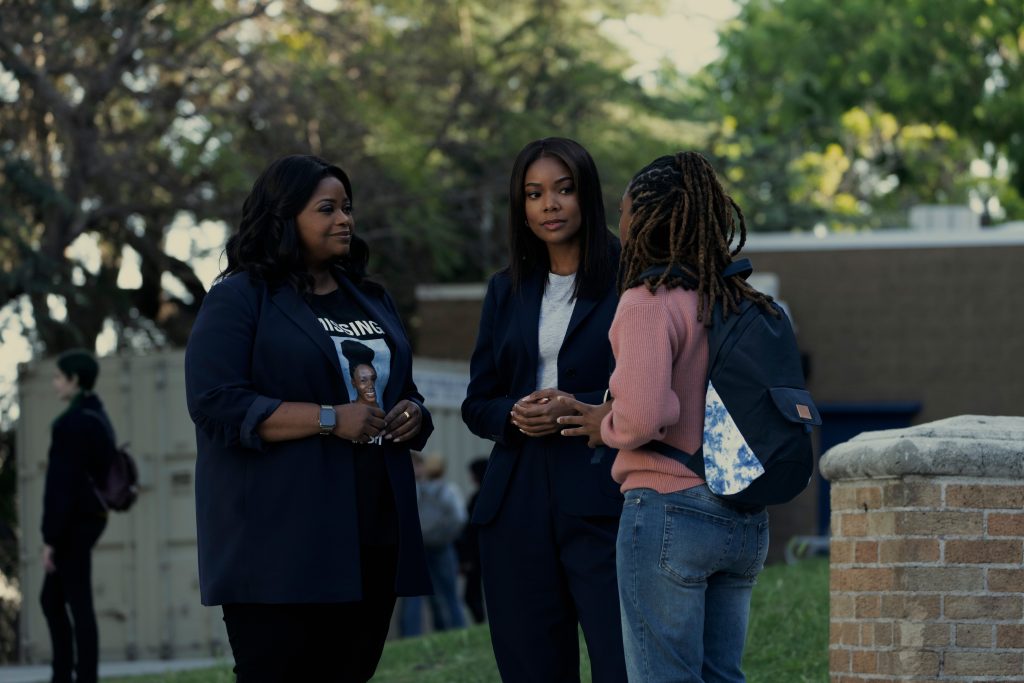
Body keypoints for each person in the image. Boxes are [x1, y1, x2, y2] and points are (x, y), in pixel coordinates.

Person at [184, 154, 434, 682]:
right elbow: (215, 401)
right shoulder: (239, 298)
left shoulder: (371, 298)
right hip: (279, 540)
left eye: (347, 207)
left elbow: (400, 386)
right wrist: (329, 419)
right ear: (284, 216)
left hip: (371, 530)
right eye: (327, 209)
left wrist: (414, 410)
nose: (344, 219)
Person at [559, 152, 773, 683]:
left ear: (647, 218)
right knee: (723, 676)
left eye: (625, 211)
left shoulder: (647, 300)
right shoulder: (733, 298)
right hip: (743, 514)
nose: (621, 224)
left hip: (671, 508)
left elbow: (645, 416)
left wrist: (604, 425)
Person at [462, 137, 626, 682]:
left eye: (563, 190)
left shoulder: (633, 278)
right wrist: (514, 413)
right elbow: (477, 402)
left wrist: (584, 408)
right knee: (531, 667)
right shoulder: (505, 290)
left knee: (622, 662)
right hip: (517, 497)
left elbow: (658, 382)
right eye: (534, 194)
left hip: (605, 493)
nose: (548, 205)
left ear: (587, 195)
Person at [40, 349, 112, 683]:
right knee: (54, 599)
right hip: (92, 518)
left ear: (75, 380)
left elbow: (60, 486)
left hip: (71, 525)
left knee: (75, 602)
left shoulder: (71, 424)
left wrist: (50, 539)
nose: (55, 383)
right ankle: (69, 674)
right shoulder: (98, 417)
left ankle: (79, 676)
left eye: (59, 377)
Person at [399, 452, 467, 636]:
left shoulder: (407, 489)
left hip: (417, 548)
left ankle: (410, 636)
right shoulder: (446, 489)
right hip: (442, 546)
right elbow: (459, 518)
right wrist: (445, 536)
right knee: (449, 593)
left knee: (413, 596)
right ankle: (458, 631)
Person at [455, 457, 488, 624]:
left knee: (471, 594)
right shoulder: (485, 496)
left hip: (476, 554)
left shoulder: (479, 498)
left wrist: (466, 557)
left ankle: (481, 622)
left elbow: (470, 530)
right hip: (480, 553)